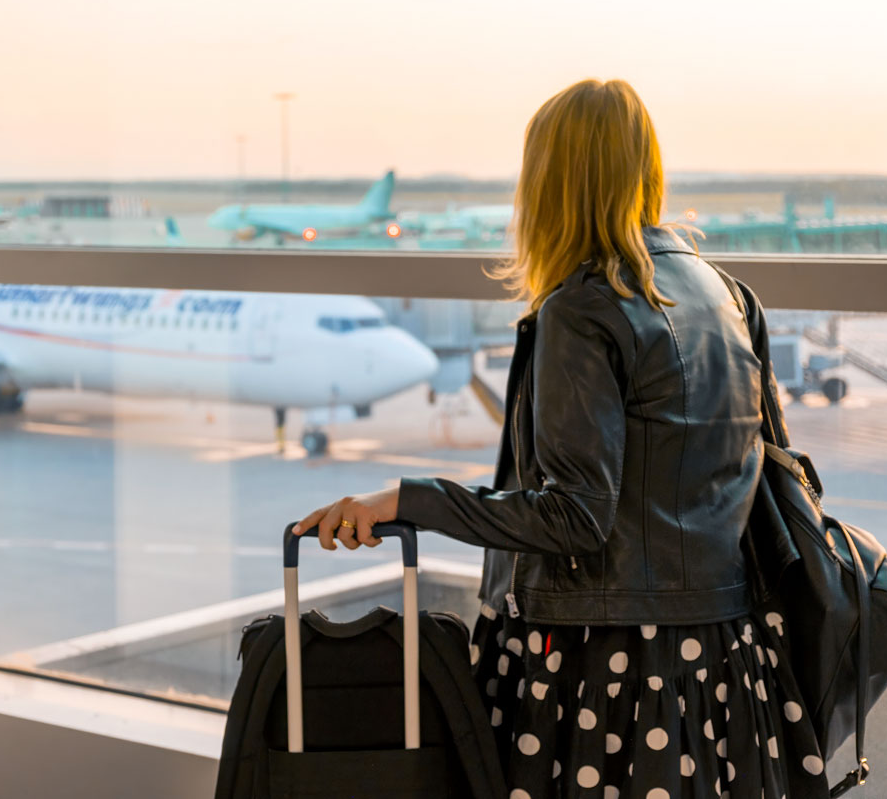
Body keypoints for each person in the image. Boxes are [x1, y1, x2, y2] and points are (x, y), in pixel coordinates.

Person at [292, 79, 830, 799]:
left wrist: (405, 500)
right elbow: (769, 474)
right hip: (724, 662)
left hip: (601, 667)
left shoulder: (582, 310)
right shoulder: (728, 295)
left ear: (550, 181)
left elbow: (576, 516)